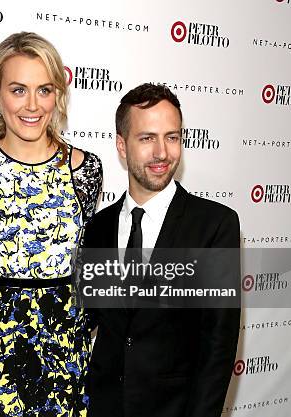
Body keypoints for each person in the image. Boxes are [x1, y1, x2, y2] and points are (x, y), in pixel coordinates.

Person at [0, 32, 103, 416]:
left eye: (44, 90)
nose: (33, 105)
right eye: (19, 90)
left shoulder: (85, 170)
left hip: (64, 343)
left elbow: (86, 261)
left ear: (59, 93)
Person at [84, 83, 240, 417]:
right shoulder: (98, 228)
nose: (162, 152)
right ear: (122, 146)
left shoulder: (214, 226)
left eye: (172, 137)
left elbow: (218, 347)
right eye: (147, 138)